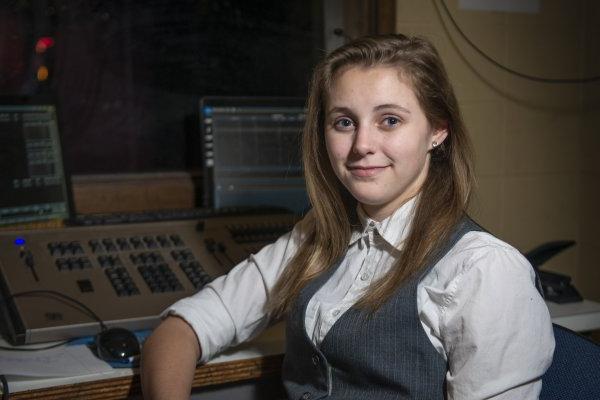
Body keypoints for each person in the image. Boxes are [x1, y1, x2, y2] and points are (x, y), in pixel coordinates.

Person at [141, 34, 555, 400]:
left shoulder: (484, 269)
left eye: (389, 120)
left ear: (437, 131)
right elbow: (183, 328)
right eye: (344, 122)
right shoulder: (318, 237)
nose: (362, 145)